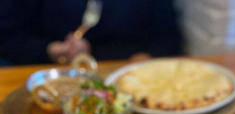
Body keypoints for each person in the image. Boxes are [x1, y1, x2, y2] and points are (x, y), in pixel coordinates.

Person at [0, 0, 183, 66]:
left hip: (128, 78)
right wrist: (50, 50)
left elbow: (169, 38)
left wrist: (146, 57)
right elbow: (8, 38)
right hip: (48, 77)